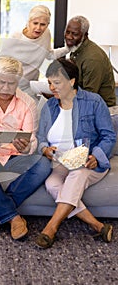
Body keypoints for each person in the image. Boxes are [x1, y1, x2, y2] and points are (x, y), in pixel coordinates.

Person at [0, 56, 52, 240]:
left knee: (44, 165)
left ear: (18, 82)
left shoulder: (28, 102)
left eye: (11, 84)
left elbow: (33, 140)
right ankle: (12, 216)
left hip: (15, 156)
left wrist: (26, 148)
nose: (6, 88)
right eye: (2, 82)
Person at [35, 58, 116, 249]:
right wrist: (45, 148)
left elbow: (108, 136)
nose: (52, 88)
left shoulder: (94, 102)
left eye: (56, 82)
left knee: (78, 174)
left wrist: (96, 156)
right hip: (61, 161)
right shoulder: (50, 106)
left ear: (71, 81)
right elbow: (40, 138)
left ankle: (50, 228)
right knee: (51, 183)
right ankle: (97, 225)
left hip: (88, 161)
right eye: (49, 83)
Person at [0, 5, 73, 102]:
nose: (38, 28)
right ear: (28, 22)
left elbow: (50, 55)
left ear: (48, 25)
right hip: (10, 87)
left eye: (43, 24)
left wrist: (68, 48)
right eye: (35, 23)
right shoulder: (15, 38)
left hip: (30, 87)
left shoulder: (46, 34)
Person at [66, 15, 116, 107]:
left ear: (85, 35)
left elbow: (88, 96)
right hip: (83, 103)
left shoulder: (92, 59)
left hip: (102, 110)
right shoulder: (76, 50)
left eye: (74, 34)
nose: (69, 37)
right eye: (67, 32)